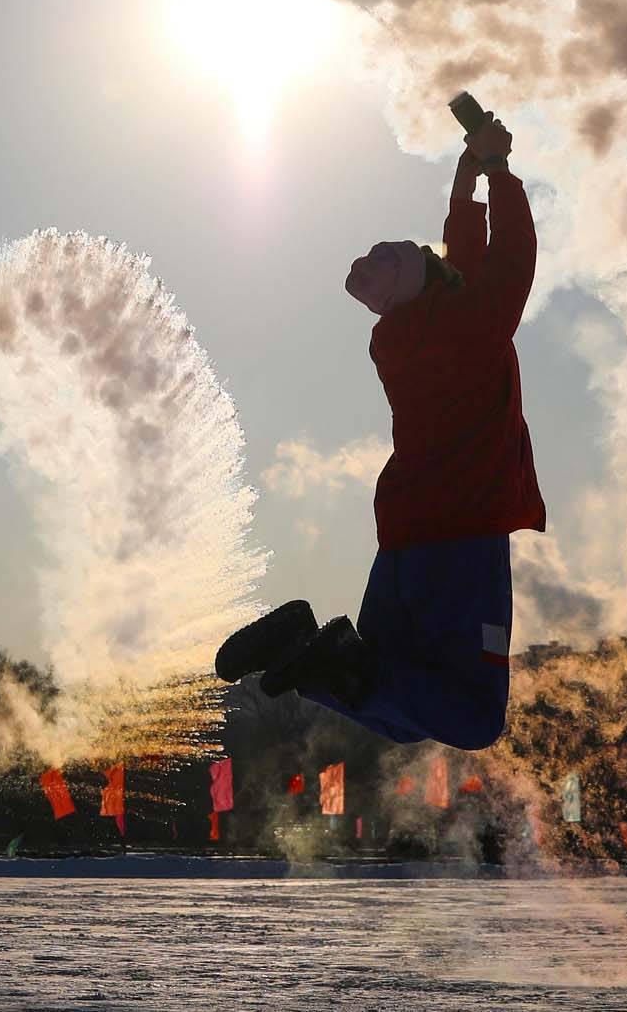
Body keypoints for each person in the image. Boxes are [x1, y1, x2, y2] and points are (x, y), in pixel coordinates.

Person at [215, 113, 546, 751]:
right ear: (438, 282)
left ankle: (303, 651)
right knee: (473, 717)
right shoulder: (474, 325)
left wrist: (463, 183)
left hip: (403, 539)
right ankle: (311, 658)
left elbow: (465, 265)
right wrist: (499, 171)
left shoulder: (399, 340)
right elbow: (510, 257)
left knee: (391, 690)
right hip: (463, 538)